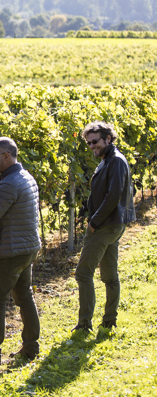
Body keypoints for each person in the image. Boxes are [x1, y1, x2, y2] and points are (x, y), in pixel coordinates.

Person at [0, 137, 42, 368]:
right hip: (26, 247)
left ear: (6, 156)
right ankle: (31, 347)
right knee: (24, 296)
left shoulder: (10, 183)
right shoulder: (24, 176)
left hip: (12, 251)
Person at [73, 121, 135, 332]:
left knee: (83, 273)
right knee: (109, 275)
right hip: (112, 224)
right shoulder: (108, 159)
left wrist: (94, 222)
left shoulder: (115, 161)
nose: (92, 146)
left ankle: (84, 324)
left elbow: (113, 196)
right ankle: (109, 319)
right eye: (89, 143)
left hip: (105, 225)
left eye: (95, 141)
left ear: (108, 138)